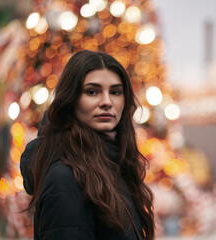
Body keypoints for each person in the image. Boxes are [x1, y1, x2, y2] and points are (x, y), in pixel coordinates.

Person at [20, 50, 155, 240]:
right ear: (71, 99)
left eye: (115, 92)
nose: (107, 102)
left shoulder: (114, 165)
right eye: (92, 92)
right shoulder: (66, 178)